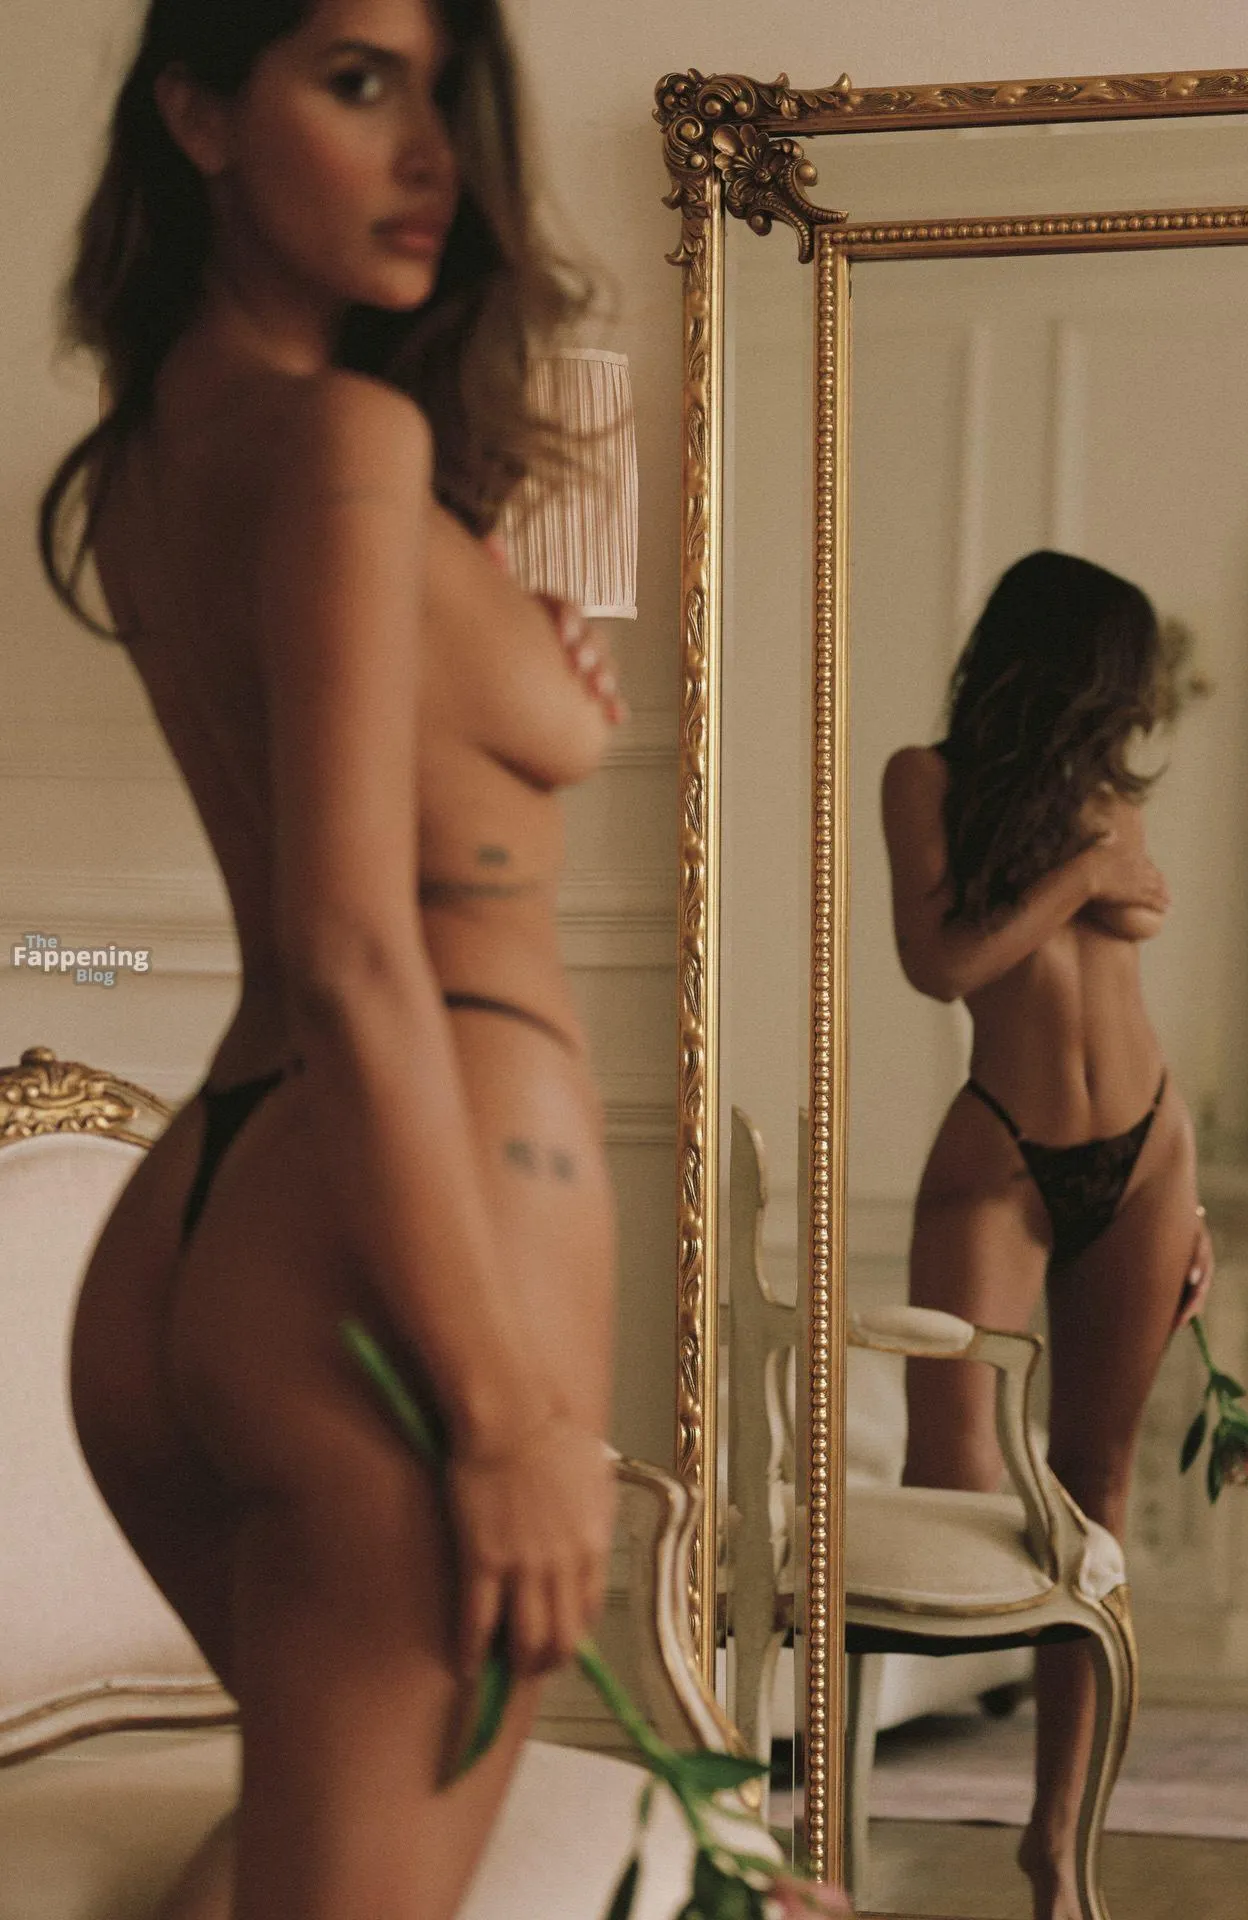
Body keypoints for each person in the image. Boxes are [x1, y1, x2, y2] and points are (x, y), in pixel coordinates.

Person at [40, 2, 622, 1914]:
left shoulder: (154, 459)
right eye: (357, 82)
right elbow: (357, 940)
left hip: (196, 1229)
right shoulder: (350, 444)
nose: (431, 154)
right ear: (199, 112)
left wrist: (515, 657)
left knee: (298, 1860)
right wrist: (508, 1416)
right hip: (400, 1207)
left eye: (446, 96)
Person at [880, 550, 1213, 1920]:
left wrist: (1197, 1210)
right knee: (955, 1482)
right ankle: (844, 1788)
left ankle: (1061, 1845)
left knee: (1098, 1498)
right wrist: (1083, 877)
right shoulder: (927, 779)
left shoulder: (1108, 797)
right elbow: (941, 963)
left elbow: (1134, 954)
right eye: (1125, 679)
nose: (1138, 708)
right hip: (1003, 1155)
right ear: (1074, 665)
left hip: (1150, 1157)